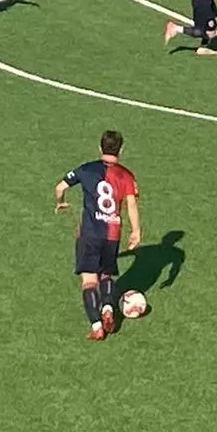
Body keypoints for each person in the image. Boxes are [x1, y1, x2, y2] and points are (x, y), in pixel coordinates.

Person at [54, 130, 143, 340]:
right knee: (106, 275)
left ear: (99, 147)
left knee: (89, 281)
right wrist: (136, 231)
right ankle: (109, 309)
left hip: (90, 233)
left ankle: (96, 326)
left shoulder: (86, 169)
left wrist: (60, 202)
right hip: (113, 234)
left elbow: (59, 187)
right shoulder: (127, 175)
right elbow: (131, 204)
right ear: (121, 149)